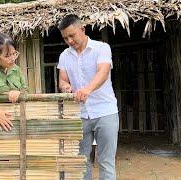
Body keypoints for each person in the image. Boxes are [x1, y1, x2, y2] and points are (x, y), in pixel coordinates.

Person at [57, 14, 119, 180]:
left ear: (82, 29)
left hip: (105, 112)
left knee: (106, 161)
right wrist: (66, 87)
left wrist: (87, 90)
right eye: (65, 38)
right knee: (82, 160)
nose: (69, 40)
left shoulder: (102, 48)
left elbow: (103, 72)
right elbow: (62, 79)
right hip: (79, 115)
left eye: (72, 35)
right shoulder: (64, 55)